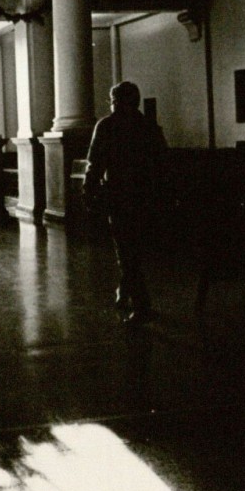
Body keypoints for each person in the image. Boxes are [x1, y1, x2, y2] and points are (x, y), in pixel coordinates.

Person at [84, 81, 167, 326]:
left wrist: (89, 190)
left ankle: (142, 306)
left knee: (126, 250)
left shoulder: (107, 126)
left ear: (117, 101)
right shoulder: (149, 127)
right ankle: (125, 290)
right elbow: (162, 163)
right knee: (133, 250)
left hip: (119, 196)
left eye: (113, 99)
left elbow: (94, 163)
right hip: (144, 197)